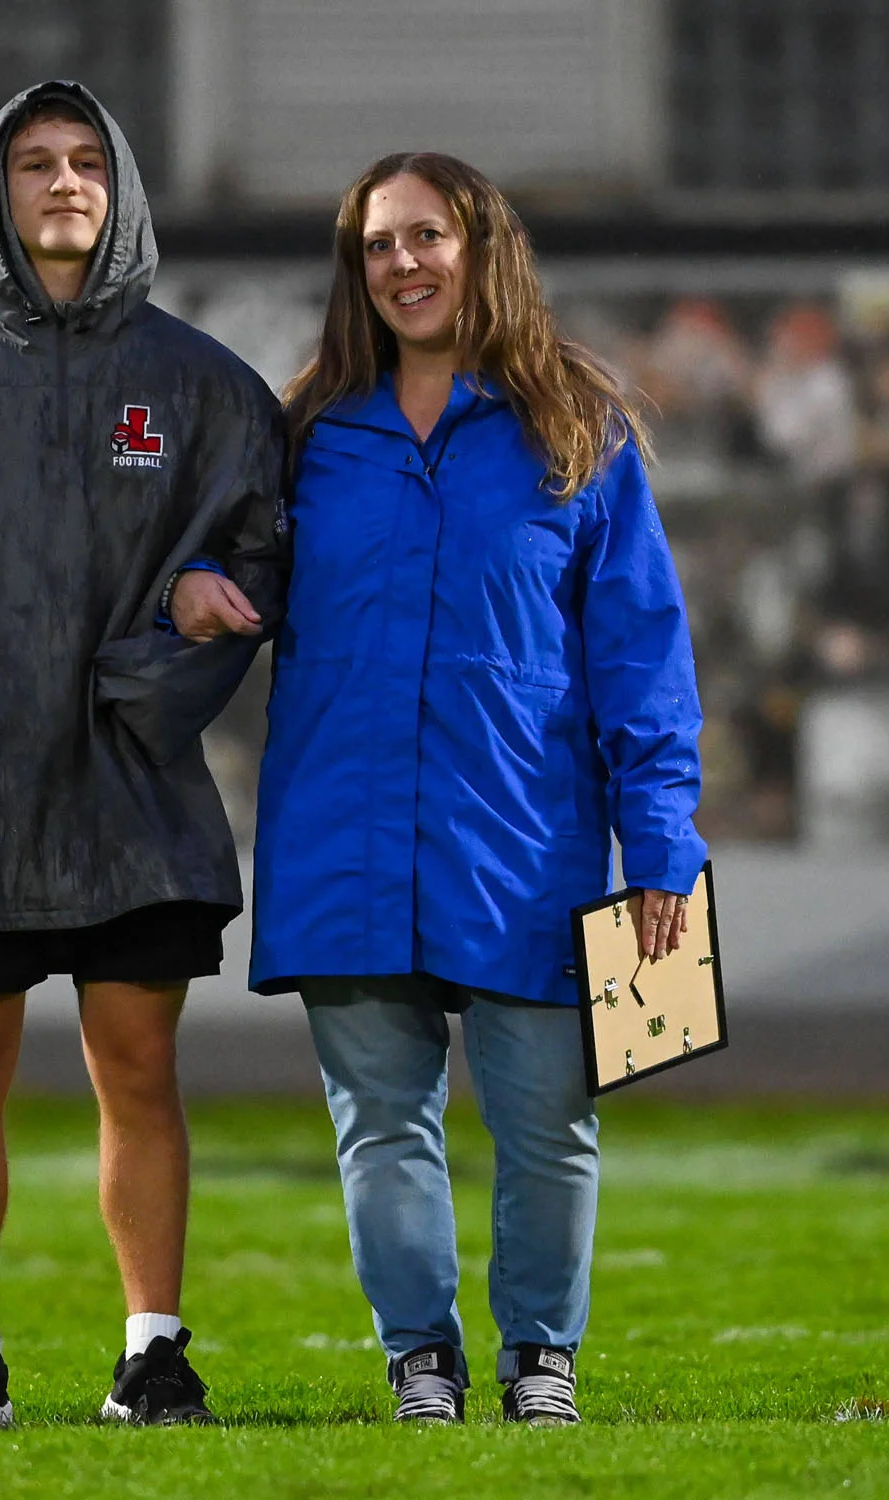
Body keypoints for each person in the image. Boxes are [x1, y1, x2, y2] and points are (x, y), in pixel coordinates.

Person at [0, 80, 286, 1428]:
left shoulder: (203, 384)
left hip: (135, 793)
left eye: (89, 161)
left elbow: (255, 562)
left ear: (124, 188)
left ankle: (154, 1350)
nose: (64, 183)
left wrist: (153, 669)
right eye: (33, 164)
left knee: (137, 1068)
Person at [247, 154, 708, 1425]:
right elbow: (218, 582)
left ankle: (540, 1360)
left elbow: (642, 660)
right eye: (379, 244)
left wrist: (662, 845)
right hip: (341, 840)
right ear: (358, 271)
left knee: (549, 1127)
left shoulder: (579, 428)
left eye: (428, 236)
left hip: (528, 848)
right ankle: (420, 1363)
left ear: (480, 247)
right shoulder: (302, 437)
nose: (404, 263)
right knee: (379, 1127)